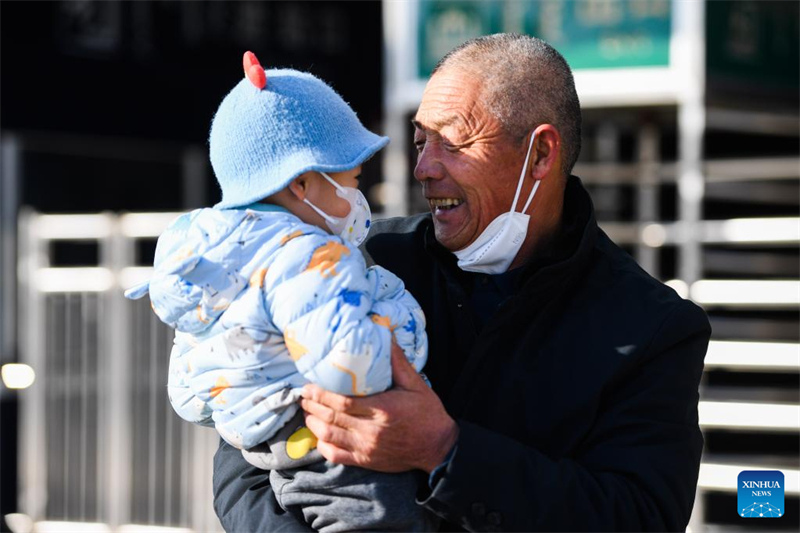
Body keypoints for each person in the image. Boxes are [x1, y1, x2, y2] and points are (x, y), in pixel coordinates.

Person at [213, 34, 711, 532]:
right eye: (420, 141)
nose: (424, 168)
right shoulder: (355, 261)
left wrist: (445, 451)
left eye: (453, 141)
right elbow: (244, 464)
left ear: (540, 154)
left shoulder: (653, 327)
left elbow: (639, 517)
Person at [126, 52, 438, 532]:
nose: (358, 196)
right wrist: (400, 335)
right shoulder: (308, 256)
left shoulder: (214, 263)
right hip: (347, 456)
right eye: (352, 180)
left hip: (273, 455)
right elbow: (352, 364)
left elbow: (189, 395)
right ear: (302, 183)